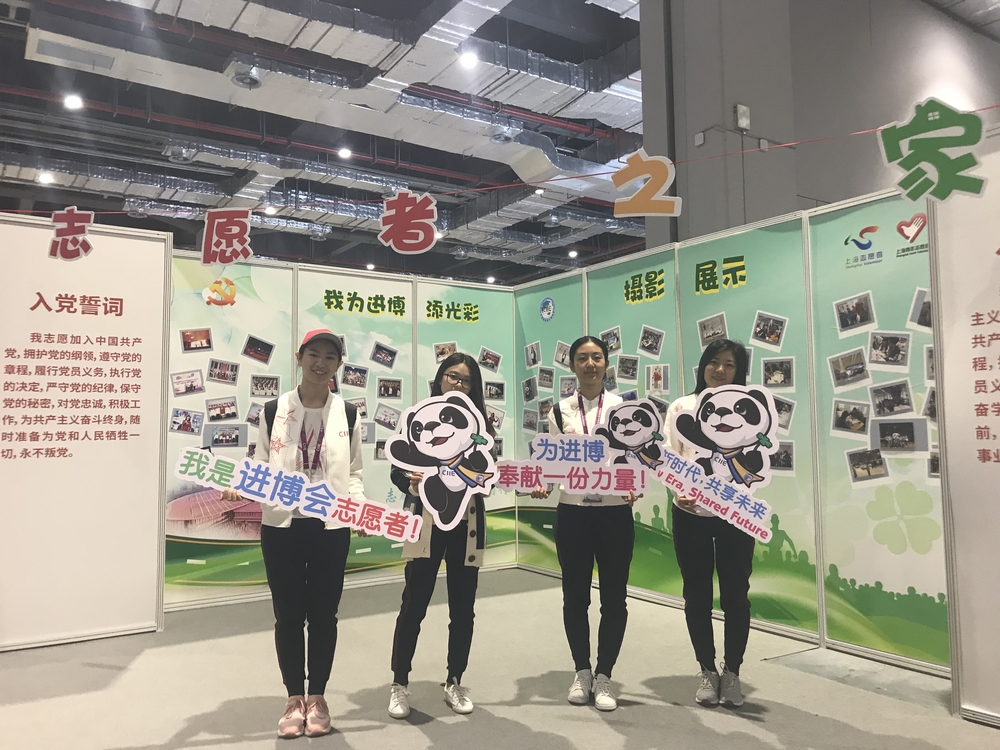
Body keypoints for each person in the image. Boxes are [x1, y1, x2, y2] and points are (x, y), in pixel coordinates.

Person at [222, 329, 366, 739]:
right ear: (299, 358)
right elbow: (260, 464)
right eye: (313, 354)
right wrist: (242, 485)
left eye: (330, 357)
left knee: (323, 615)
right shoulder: (274, 409)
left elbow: (354, 473)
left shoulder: (348, 413)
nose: (321, 363)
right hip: (282, 526)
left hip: (330, 527)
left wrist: (356, 507)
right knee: (288, 615)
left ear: (339, 365)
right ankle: (292, 698)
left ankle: (317, 697)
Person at [531, 335, 638, 712]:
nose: (590, 364)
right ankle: (582, 670)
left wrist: (634, 484)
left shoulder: (625, 408)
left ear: (606, 364)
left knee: (614, 598)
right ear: (572, 365)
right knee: (575, 597)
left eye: (596, 358)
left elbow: (634, 457)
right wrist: (543, 482)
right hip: (573, 513)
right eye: (582, 358)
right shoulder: (559, 411)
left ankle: (605, 674)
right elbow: (553, 459)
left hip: (614, 513)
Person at [387, 352, 497, 720]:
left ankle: (455, 680)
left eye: (466, 380)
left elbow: (489, 475)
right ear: (439, 380)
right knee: (414, 603)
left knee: (463, 608)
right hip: (426, 523)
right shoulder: (419, 418)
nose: (459, 384)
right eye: (452, 376)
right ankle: (399, 683)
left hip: (467, 525)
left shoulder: (482, 429)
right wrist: (412, 482)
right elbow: (397, 470)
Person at [663, 338, 755, 708]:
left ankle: (732, 672)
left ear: (739, 371)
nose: (719, 370)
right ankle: (706, 669)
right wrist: (678, 489)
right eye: (713, 362)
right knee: (696, 594)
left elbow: (758, 461)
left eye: (729, 364)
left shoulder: (752, 409)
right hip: (691, 514)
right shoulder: (682, 407)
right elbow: (669, 454)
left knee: (736, 595)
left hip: (736, 515)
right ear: (702, 365)